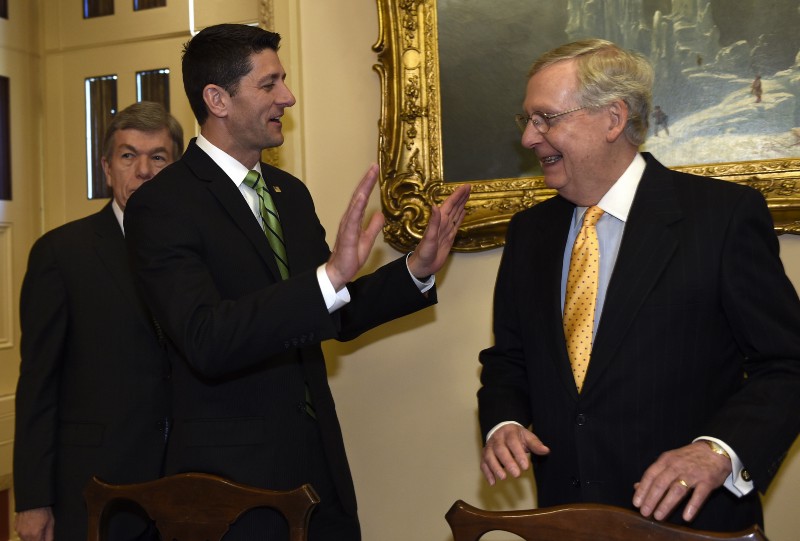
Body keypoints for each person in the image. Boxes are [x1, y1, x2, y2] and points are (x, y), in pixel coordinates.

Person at [123, 24, 470, 541]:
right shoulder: (162, 204)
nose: (287, 96)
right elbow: (206, 339)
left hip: (317, 463)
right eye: (269, 85)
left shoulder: (288, 192)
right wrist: (328, 278)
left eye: (283, 80)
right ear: (217, 99)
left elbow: (334, 310)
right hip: (230, 483)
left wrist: (415, 271)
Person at [478, 39, 800, 533]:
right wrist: (504, 421)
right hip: (567, 520)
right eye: (527, 121)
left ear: (612, 118)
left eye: (546, 119)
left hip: (692, 524)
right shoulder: (530, 233)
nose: (529, 139)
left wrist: (719, 451)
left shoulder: (721, 217)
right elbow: (510, 358)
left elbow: (787, 364)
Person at [14, 101, 184, 541]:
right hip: (94, 490)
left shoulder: (201, 253)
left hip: (189, 485)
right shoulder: (62, 254)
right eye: (128, 155)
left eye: (159, 157)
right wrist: (33, 499)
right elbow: (38, 385)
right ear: (107, 169)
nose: (144, 170)